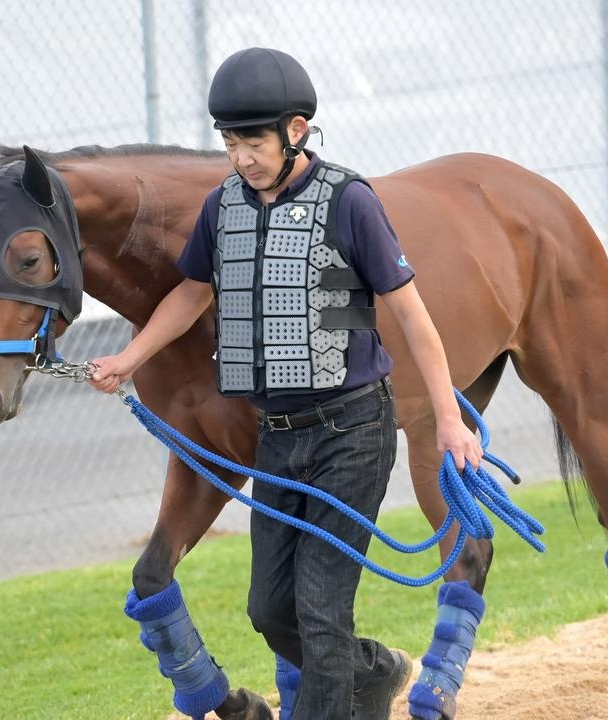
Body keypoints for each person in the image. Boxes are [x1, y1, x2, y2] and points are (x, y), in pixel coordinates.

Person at [88, 47, 483, 720]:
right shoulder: (224, 207)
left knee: (320, 609)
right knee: (270, 611)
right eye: (230, 142)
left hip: (351, 432)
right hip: (279, 438)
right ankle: (376, 670)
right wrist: (128, 360)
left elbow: (412, 318)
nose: (241, 156)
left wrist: (448, 419)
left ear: (296, 131)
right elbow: (190, 293)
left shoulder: (350, 202)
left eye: (253, 142)